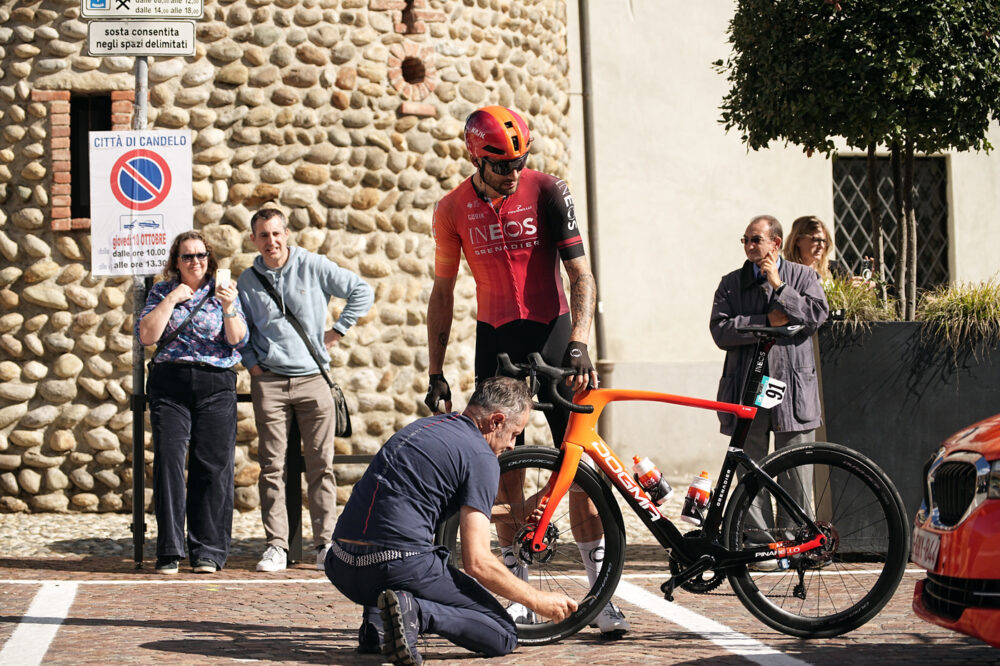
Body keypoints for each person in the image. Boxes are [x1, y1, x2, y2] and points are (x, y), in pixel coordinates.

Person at [423, 105, 628, 636]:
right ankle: (515, 583)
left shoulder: (549, 189)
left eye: (520, 161)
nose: (513, 172)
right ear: (475, 156)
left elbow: (579, 273)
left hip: (555, 331)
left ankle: (600, 592)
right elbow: (442, 293)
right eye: (501, 165)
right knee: (500, 467)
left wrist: (580, 343)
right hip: (496, 339)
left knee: (578, 463)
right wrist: (435, 370)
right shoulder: (451, 210)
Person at [325, 376, 577, 665]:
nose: (512, 445)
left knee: (394, 540)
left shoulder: (425, 428)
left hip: (342, 566)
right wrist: (537, 600)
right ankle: (417, 614)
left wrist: (515, 513)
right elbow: (477, 562)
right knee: (503, 633)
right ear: (496, 421)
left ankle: (376, 626)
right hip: (395, 566)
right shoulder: (482, 456)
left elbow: (425, 502)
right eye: (514, 433)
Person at [237, 208, 374, 573]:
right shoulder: (247, 281)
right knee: (271, 467)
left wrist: (338, 331)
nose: (271, 242)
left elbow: (362, 290)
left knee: (321, 466)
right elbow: (241, 327)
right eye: (264, 235)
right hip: (270, 382)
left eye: (277, 234)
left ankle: (326, 543)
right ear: (254, 239)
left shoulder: (312, 265)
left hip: (314, 379)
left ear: (287, 234)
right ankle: (276, 545)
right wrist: (252, 363)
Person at [710, 215, 829, 550]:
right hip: (748, 387)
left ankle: (795, 543)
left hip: (793, 390)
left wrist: (781, 287)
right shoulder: (731, 283)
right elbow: (720, 330)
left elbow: (816, 316)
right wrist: (765, 321)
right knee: (751, 468)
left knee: (797, 468)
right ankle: (758, 544)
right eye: (745, 239)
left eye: (756, 240)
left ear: (776, 243)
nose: (749, 246)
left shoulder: (804, 276)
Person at [137, 230, 249, 575]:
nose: (195, 261)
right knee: (169, 462)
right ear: (176, 262)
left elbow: (237, 341)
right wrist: (171, 300)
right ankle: (170, 550)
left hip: (216, 383)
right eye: (187, 256)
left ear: (209, 258)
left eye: (201, 255)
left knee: (213, 467)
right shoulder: (161, 290)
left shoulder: (224, 292)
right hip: (171, 382)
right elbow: (147, 336)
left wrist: (229, 306)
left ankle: (208, 551)